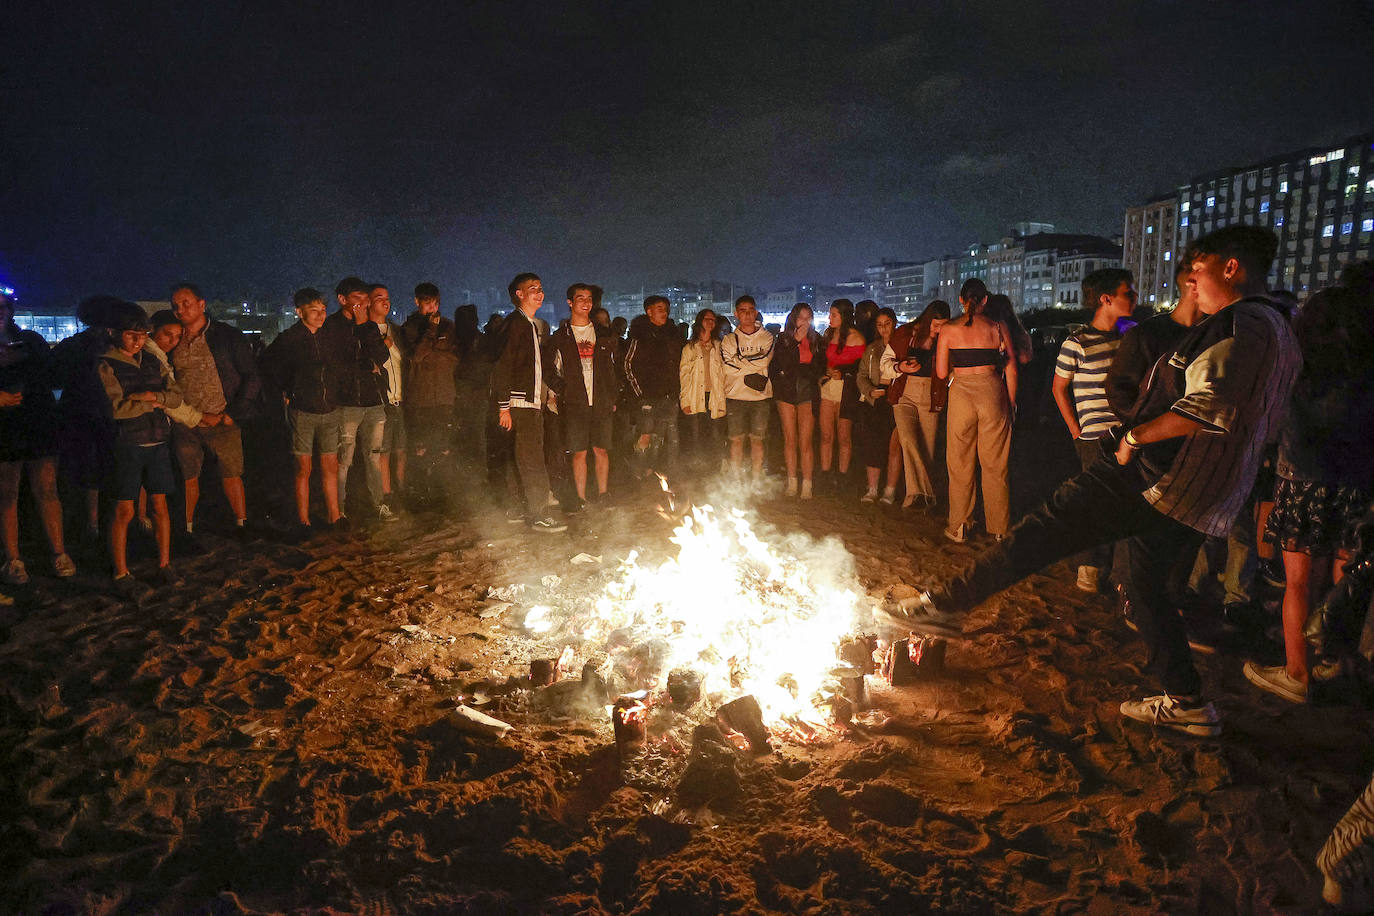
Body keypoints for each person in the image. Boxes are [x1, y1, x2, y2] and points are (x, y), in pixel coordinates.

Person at [894, 225, 1301, 737]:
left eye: (1197, 272)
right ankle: (1188, 701)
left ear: (1230, 266)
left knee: (1049, 525)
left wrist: (1135, 438)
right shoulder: (1282, 327)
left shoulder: (1242, 324)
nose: (1193, 283)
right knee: (1147, 587)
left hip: (1160, 476)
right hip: (1203, 488)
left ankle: (947, 606)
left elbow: (1208, 407)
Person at [1243, 280, 1374, 703]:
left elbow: (1271, 419)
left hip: (1303, 479)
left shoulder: (1300, 365)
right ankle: (1335, 661)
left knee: (1299, 583)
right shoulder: (1366, 369)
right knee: (1346, 573)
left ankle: (1297, 673)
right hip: (1356, 482)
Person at [98, 303, 197, 595]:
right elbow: (115, 409)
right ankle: (121, 572)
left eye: (142, 335)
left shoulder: (152, 361)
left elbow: (176, 396)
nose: (138, 341)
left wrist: (152, 396)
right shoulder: (106, 364)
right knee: (124, 510)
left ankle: (164, 564)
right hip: (127, 444)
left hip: (157, 442)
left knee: (159, 506)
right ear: (114, 333)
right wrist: (154, 402)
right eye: (132, 335)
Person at [1051, 268, 1136, 592]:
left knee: (1124, 502)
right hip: (1094, 437)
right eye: (1127, 292)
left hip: (1127, 434)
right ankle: (1089, 567)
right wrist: (1076, 430)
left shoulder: (1127, 338)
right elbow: (1059, 388)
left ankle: (1119, 574)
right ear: (1106, 299)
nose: (1134, 298)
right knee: (1095, 502)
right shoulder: (1077, 342)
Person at [168, 283, 261, 542]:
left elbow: (251, 375)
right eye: (175, 305)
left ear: (201, 304)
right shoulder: (172, 338)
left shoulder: (225, 336)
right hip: (186, 420)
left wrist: (235, 412)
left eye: (186, 303)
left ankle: (242, 524)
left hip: (222, 416)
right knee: (188, 475)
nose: (180, 309)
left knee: (232, 472)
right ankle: (186, 529)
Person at [0, 290, 74, 585]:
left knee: (47, 489)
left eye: (3, 306)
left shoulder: (30, 339)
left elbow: (53, 372)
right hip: (4, 428)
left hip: (38, 422)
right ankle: (13, 560)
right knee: (7, 494)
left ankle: (59, 553)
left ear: (11, 309)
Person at [937, 279, 1018, 542]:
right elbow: (1011, 368)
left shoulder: (949, 329)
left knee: (959, 463)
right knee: (995, 464)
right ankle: (999, 529)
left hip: (961, 393)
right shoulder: (998, 326)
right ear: (984, 301)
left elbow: (940, 372)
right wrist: (1012, 402)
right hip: (992, 392)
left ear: (961, 300)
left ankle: (959, 525)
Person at [260, 288, 344, 535]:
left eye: (323, 310)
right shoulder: (289, 339)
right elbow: (267, 365)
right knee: (303, 468)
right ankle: (303, 520)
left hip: (330, 409)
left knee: (330, 465)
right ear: (299, 312)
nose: (320, 315)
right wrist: (287, 389)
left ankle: (334, 516)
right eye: (314, 310)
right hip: (303, 411)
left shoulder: (328, 337)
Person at [491, 273, 565, 532]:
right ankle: (539, 514)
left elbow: (537, 366)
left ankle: (517, 507)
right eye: (532, 289)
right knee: (532, 460)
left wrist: (558, 388)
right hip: (520, 405)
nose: (539, 293)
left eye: (541, 289)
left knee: (520, 457)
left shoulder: (529, 325)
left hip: (528, 404)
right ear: (519, 294)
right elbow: (502, 366)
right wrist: (504, 407)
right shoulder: (516, 324)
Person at [50, 296, 121, 544]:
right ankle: (113, 521)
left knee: (87, 472)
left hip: (79, 414)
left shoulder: (72, 345)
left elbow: (54, 376)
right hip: (106, 414)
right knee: (110, 469)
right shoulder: (114, 345)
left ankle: (91, 524)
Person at [547, 283, 620, 506]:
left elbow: (616, 368)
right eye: (580, 298)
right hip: (575, 402)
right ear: (570, 302)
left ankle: (603, 494)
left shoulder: (604, 334)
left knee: (601, 449)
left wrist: (613, 396)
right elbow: (549, 369)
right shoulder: (561, 336)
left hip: (601, 400)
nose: (586, 302)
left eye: (589, 298)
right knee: (578, 451)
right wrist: (563, 391)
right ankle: (580, 497)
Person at [327, 277, 390, 524]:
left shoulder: (369, 325)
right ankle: (339, 509)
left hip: (374, 400)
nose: (363, 303)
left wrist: (364, 324)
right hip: (347, 402)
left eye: (365, 298)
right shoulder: (333, 326)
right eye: (357, 298)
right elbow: (339, 364)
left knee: (374, 454)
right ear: (342, 299)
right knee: (345, 458)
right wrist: (367, 365)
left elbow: (382, 357)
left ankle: (379, 504)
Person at [399, 283, 461, 510]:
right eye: (427, 303)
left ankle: (442, 493)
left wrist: (431, 354)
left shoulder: (449, 326)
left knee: (444, 446)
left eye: (435, 303)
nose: (433, 308)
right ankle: (420, 494)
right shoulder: (411, 327)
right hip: (421, 398)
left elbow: (454, 358)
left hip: (444, 396)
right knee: (421, 446)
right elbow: (416, 356)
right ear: (417, 302)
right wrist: (432, 334)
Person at [886, 300, 950, 511]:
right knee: (908, 440)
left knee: (928, 449)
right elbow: (885, 363)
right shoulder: (905, 333)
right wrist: (900, 366)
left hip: (931, 394)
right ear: (926, 320)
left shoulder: (946, 338)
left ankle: (917, 496)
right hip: (905, 393)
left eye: (943, 325)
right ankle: (925, 494)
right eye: (935, 324)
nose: (938, 329)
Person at [622, 295, 684, 483]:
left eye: (666, 308)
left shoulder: (672, 335)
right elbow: (627, 365)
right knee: (645, 434)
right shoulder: (639, 335)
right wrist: (640, 394)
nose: (664, 312)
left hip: (669, 396)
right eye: (659, 308)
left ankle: (663, 473)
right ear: (649, 311)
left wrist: (676, 390)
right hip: (647, 397)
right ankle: (639, 472)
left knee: (668, 436)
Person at [769, 303, 825, 498]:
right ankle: (792, 482)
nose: (805, 321)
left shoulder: (817, 340)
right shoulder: (783, 339)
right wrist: (795, 342)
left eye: (809, 317)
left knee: (806, 440)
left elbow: (819, 367)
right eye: (802, 317)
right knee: (790, 439)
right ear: (794, 318)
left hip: (807, 390)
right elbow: (782, 364)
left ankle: (807, 484)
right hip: (786, 391)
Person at [719, 295, 775, 480]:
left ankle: (757, 479)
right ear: (736, 314)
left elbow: (764, 360)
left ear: (756, 312)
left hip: (760, 397)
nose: (747, 314)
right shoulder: (728, 339)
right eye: (742, 310)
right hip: (735, 396)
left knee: (757, 441)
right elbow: (726, 366)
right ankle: (736, 479)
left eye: (751, 310)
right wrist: (752, 363)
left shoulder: (767, 337)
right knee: (736, 440)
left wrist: (738, 362)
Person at [817, 299, 866, 496]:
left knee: (844, 436)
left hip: (846, 390)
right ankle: (826, 475)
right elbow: (822, 360)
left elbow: (861, 368)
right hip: (828, 388)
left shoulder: (856, 338)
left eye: (834, 314)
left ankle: (843, 477)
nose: (829, 317)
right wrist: (823, 372)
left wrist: (843, 370)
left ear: (844, 316)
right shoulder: (828, 335)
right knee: (826, 435)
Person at [856, 307, 902, 504]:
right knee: (873, 445)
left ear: (894, 323)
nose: (884, 329)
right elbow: (862, 374)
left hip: (895, 401)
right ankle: (872, 488)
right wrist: (868, 391)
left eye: (887, 324)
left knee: (894, 447)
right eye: (880, 325)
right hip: (874, 400)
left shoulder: (902, 347)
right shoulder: (873, 349)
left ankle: (890, 490)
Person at [368, 283, 405, 519]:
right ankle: (385, 496)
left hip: (400, 400)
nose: (385, 301)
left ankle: (399, 493)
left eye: (387, 297)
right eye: (379, 297)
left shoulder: (396, 330)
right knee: (383, 451)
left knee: (401, 449)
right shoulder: (366, 331)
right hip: (381, 402)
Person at [679, 308, 728, 474]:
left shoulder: (718, 347)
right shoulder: (689, 348)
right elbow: (684, 376)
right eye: (707, 319)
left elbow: (724, 373)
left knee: (716, 435)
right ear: (700, 321)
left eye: (713, 320)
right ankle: (698, 470)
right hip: (695, 396)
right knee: (697, 436)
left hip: (714, 396)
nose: (710, 322)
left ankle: (714, 470)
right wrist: (685, 401)